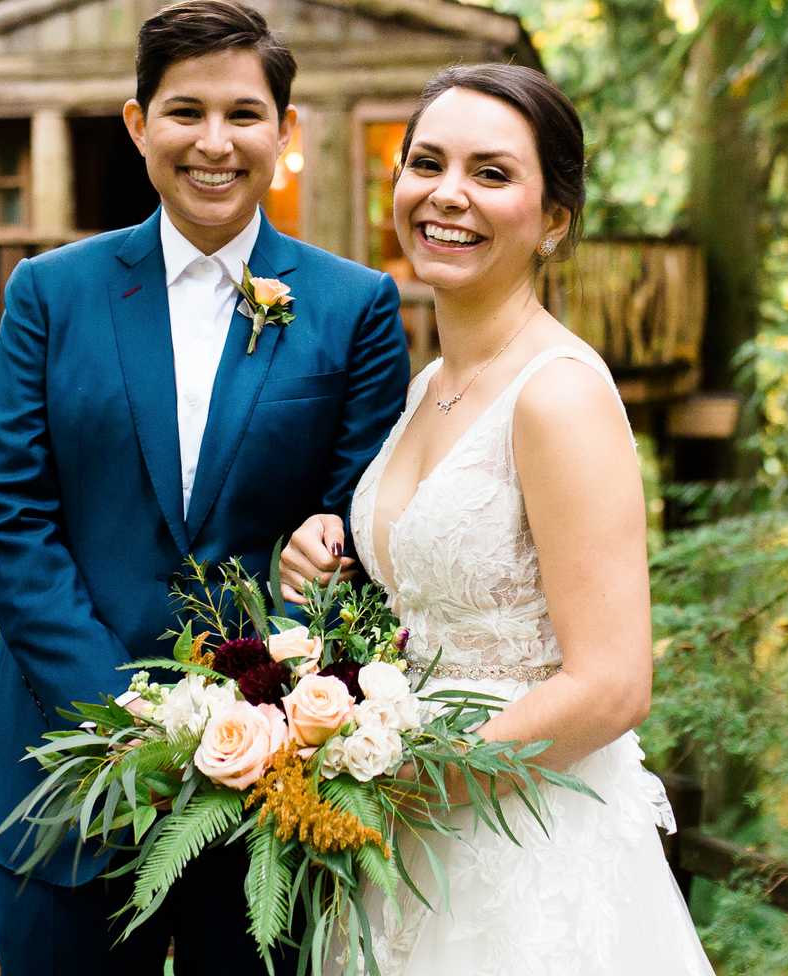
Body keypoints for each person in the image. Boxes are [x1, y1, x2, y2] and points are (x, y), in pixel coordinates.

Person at [0, 0, 412, 976]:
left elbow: (365, 520)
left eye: (244, 113)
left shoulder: (355, 308)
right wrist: (117, 718)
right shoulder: (50, 293)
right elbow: (6, 512)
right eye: (185, 111)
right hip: (67, 778)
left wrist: (297, 639)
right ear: (138, 125)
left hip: (278, 793)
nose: (215, 141)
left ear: (283, 132)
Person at [280, 63, 714, 974]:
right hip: (404, 846)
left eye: (491, 173)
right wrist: (325, 553)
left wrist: (405, 780)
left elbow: (613, 684)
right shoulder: (429, 388)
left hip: (522, 850)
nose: (448, 194)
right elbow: (434, 598)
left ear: (553, 219)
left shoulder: (558, 395)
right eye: (426, 163)